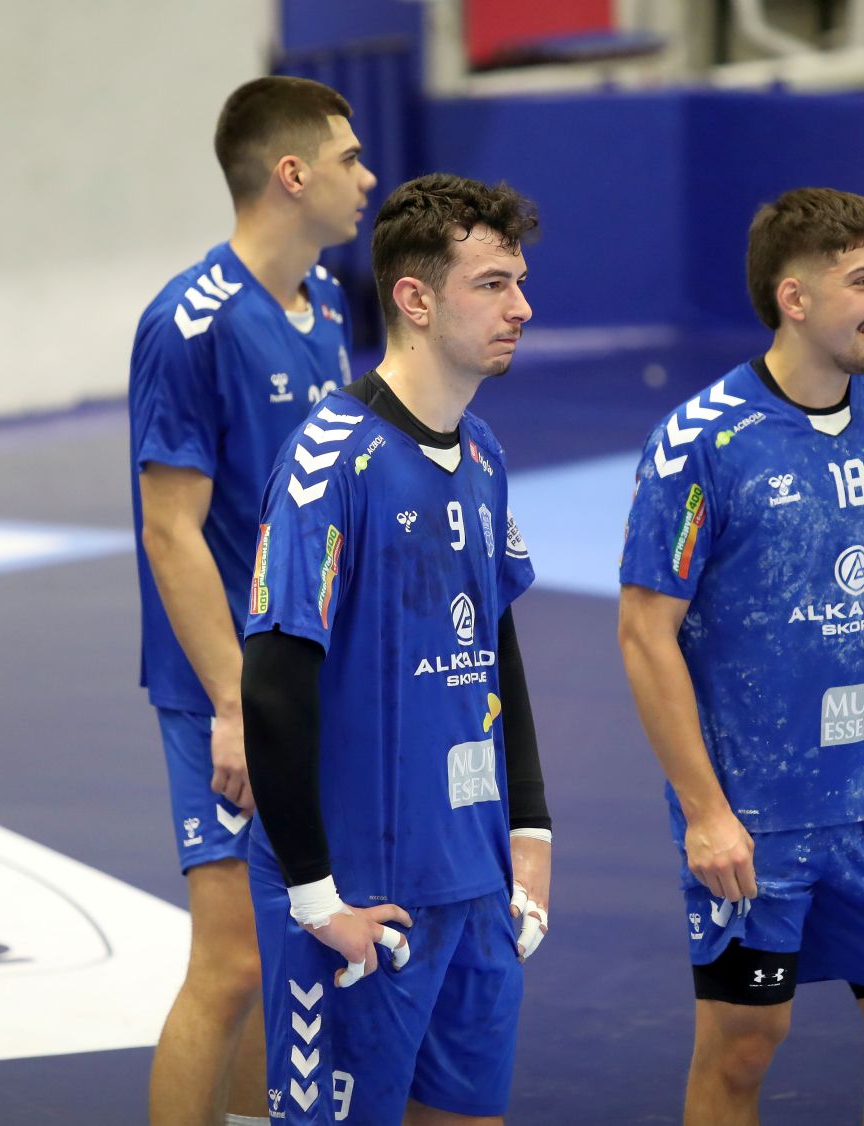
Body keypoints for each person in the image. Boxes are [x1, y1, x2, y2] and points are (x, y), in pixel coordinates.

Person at [618, 188, 864, 1125]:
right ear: (795, 298)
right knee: (742, 1048)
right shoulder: (703, 443)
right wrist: (705, 814)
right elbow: (645, 632)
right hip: (753, 816)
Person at [240, 173, 550, 1125]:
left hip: (474, 882)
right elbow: (274, 686)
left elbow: (495, 638)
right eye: (492, 285)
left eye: (519, 282)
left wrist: (530, 833)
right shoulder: (330, 460)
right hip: (362, 900)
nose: (521, 308)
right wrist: (314, 897)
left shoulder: (484, 452)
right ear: (415, 298)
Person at [129, 75, 376, 1126]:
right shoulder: (191, 324)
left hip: (311, 673)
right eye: (349, 159)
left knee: (285, 951)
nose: (368, 177)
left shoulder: (328, 307)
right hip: (225, 686)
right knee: (231, 963)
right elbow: (169, 529)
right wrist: (236, 702)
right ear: (292, 175)